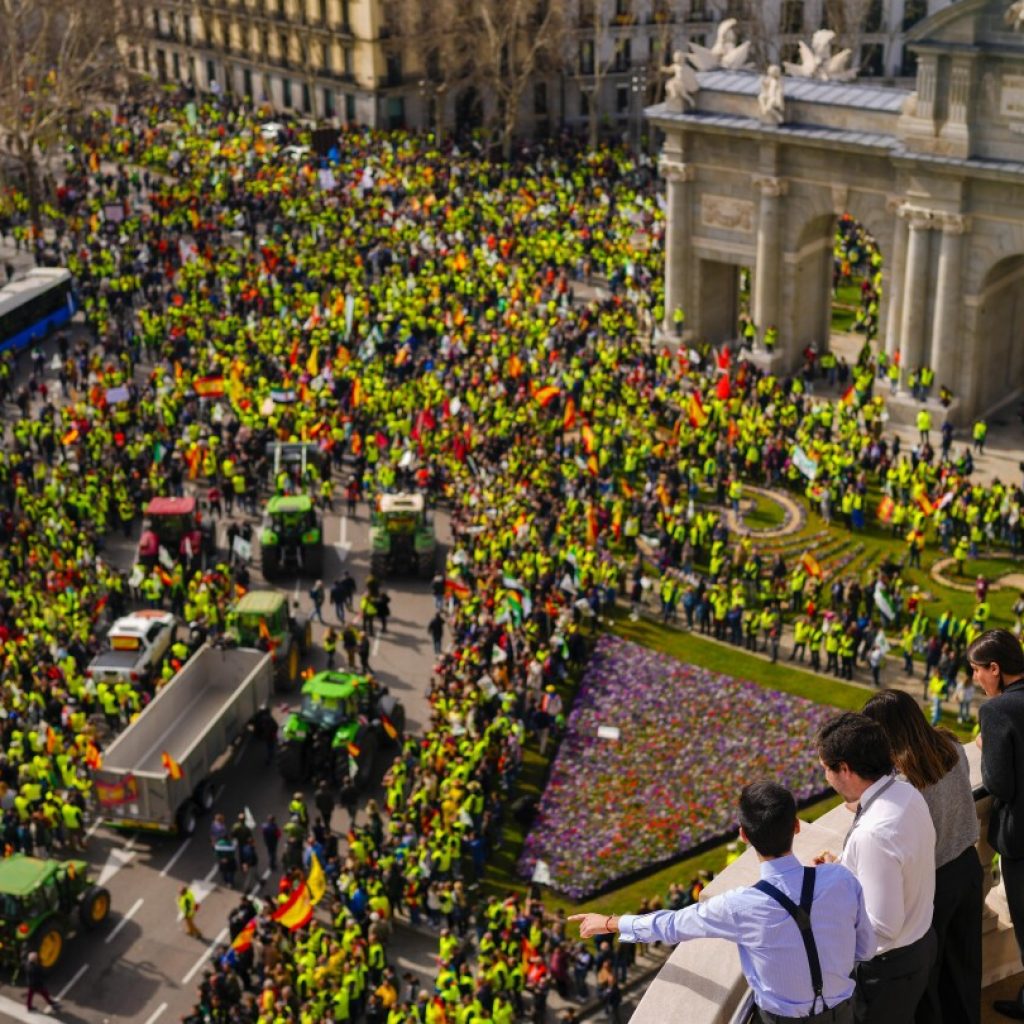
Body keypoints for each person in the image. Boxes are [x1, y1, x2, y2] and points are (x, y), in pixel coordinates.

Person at [570, 781, 874, 1023]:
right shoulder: (841, 879)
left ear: (743, 835)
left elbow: (673, 926)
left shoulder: (739, 905)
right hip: (843, 1012)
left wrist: (610, 923)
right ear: (796, 826)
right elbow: (865, 949)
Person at [862, 690, 981, 1024]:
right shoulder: (951, 746)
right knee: (965, 970)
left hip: (935, 883)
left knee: (928, 983)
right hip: (968, 867)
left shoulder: (902, 781)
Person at [814, 713, 937, 1024]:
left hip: (888, 968)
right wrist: (844, 868)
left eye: (826, 769)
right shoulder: (905, 791)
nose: (825, 778)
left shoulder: (873, 834)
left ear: (845, 769)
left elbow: (882, 926)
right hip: (917, 945)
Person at [968, 629, 1024, 1020]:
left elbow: (1000, 783)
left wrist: (987, 750)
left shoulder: (997, 711)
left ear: (995, 668)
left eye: (976, 671)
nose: (974, 680)